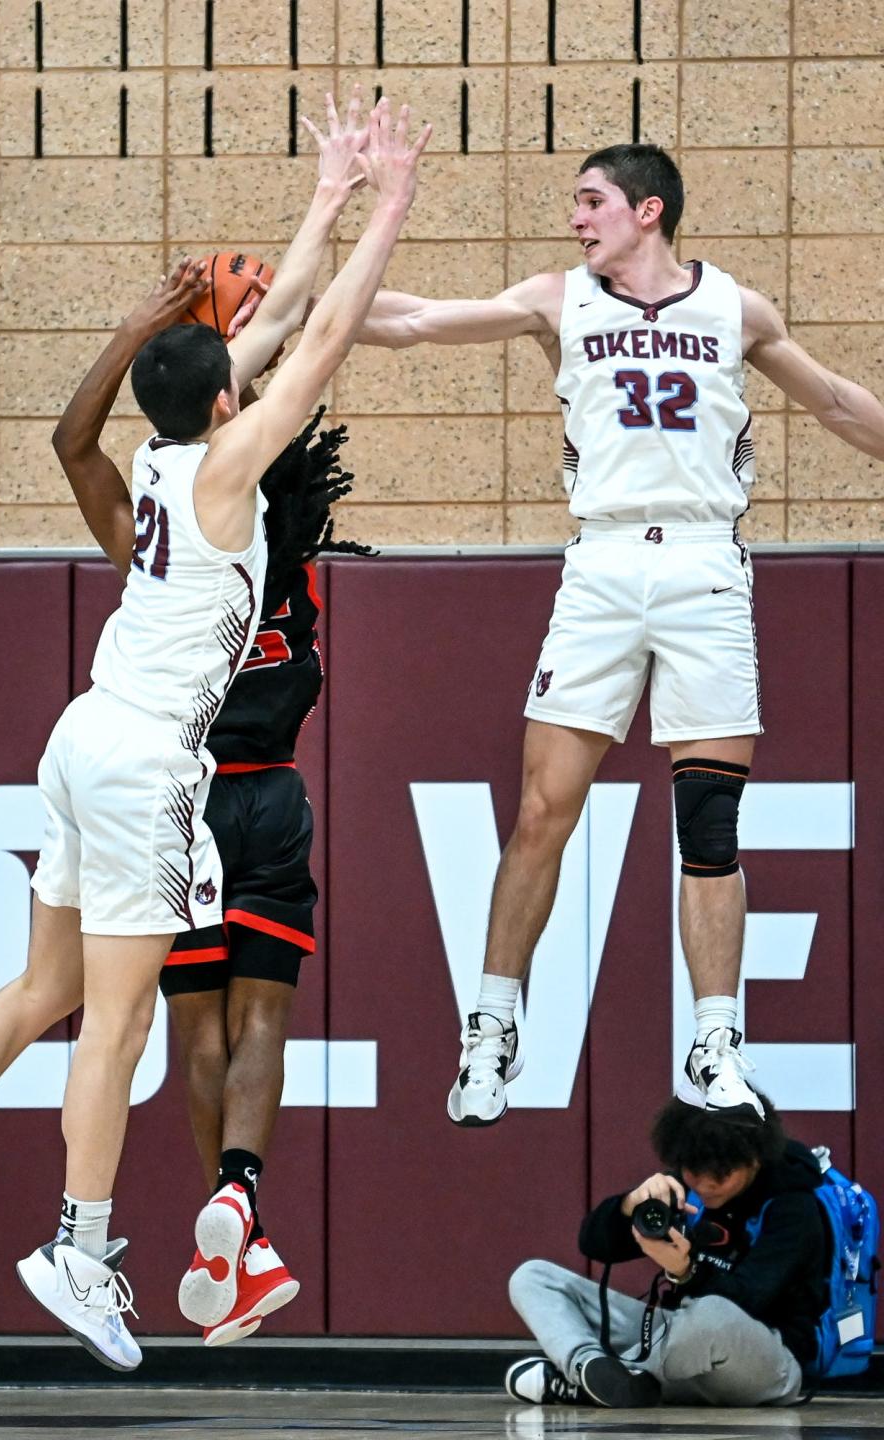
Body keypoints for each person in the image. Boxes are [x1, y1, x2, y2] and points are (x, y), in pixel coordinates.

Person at [0, 88, 429, 1370]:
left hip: (82, 729)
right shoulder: (220, 467)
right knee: (116, 1021)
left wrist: (326, 195)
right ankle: (79, 1248)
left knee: (43, 986)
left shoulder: (158, 456)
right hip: (148, 759)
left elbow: (263, 339)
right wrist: (392, 206)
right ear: (227, 397)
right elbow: (316, 341)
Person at [347, 142, 884, 1128]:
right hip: (598, 565)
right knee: (543, 811)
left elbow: (841, 403)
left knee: (710, 831)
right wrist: (296, 305)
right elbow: (416, 321)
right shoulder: (558, 299)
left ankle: (717, 1043)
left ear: (649, 210)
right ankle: (491, 1028)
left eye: (592, 202)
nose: (576, 218)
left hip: (704, 564)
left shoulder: (737, 310)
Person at [53, 254, 370, 1347]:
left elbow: (80, 444)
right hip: (262, 793)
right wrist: (341, 220)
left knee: (171, 1025)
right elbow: (291, 370)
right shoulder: (290, 556)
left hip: (174, 788)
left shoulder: (148, 513)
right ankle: (233, 1201)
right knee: (263, 1017)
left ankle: (209, 1235)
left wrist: (161, 331)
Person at [506, 1093, 824, 1408]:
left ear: (754, 1159)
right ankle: (589, 1369)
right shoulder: (685, 1187)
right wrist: (630, 1205)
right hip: (676, 1346)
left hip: (766, 1358)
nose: (706, 1184)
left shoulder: (794, 1208)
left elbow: (748, 1301)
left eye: (721, 1174)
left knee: (710, 1316)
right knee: (533, 1277)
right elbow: (591, 1244)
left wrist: (686, 1272)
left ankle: (599, 1379)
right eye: (694, 1171)